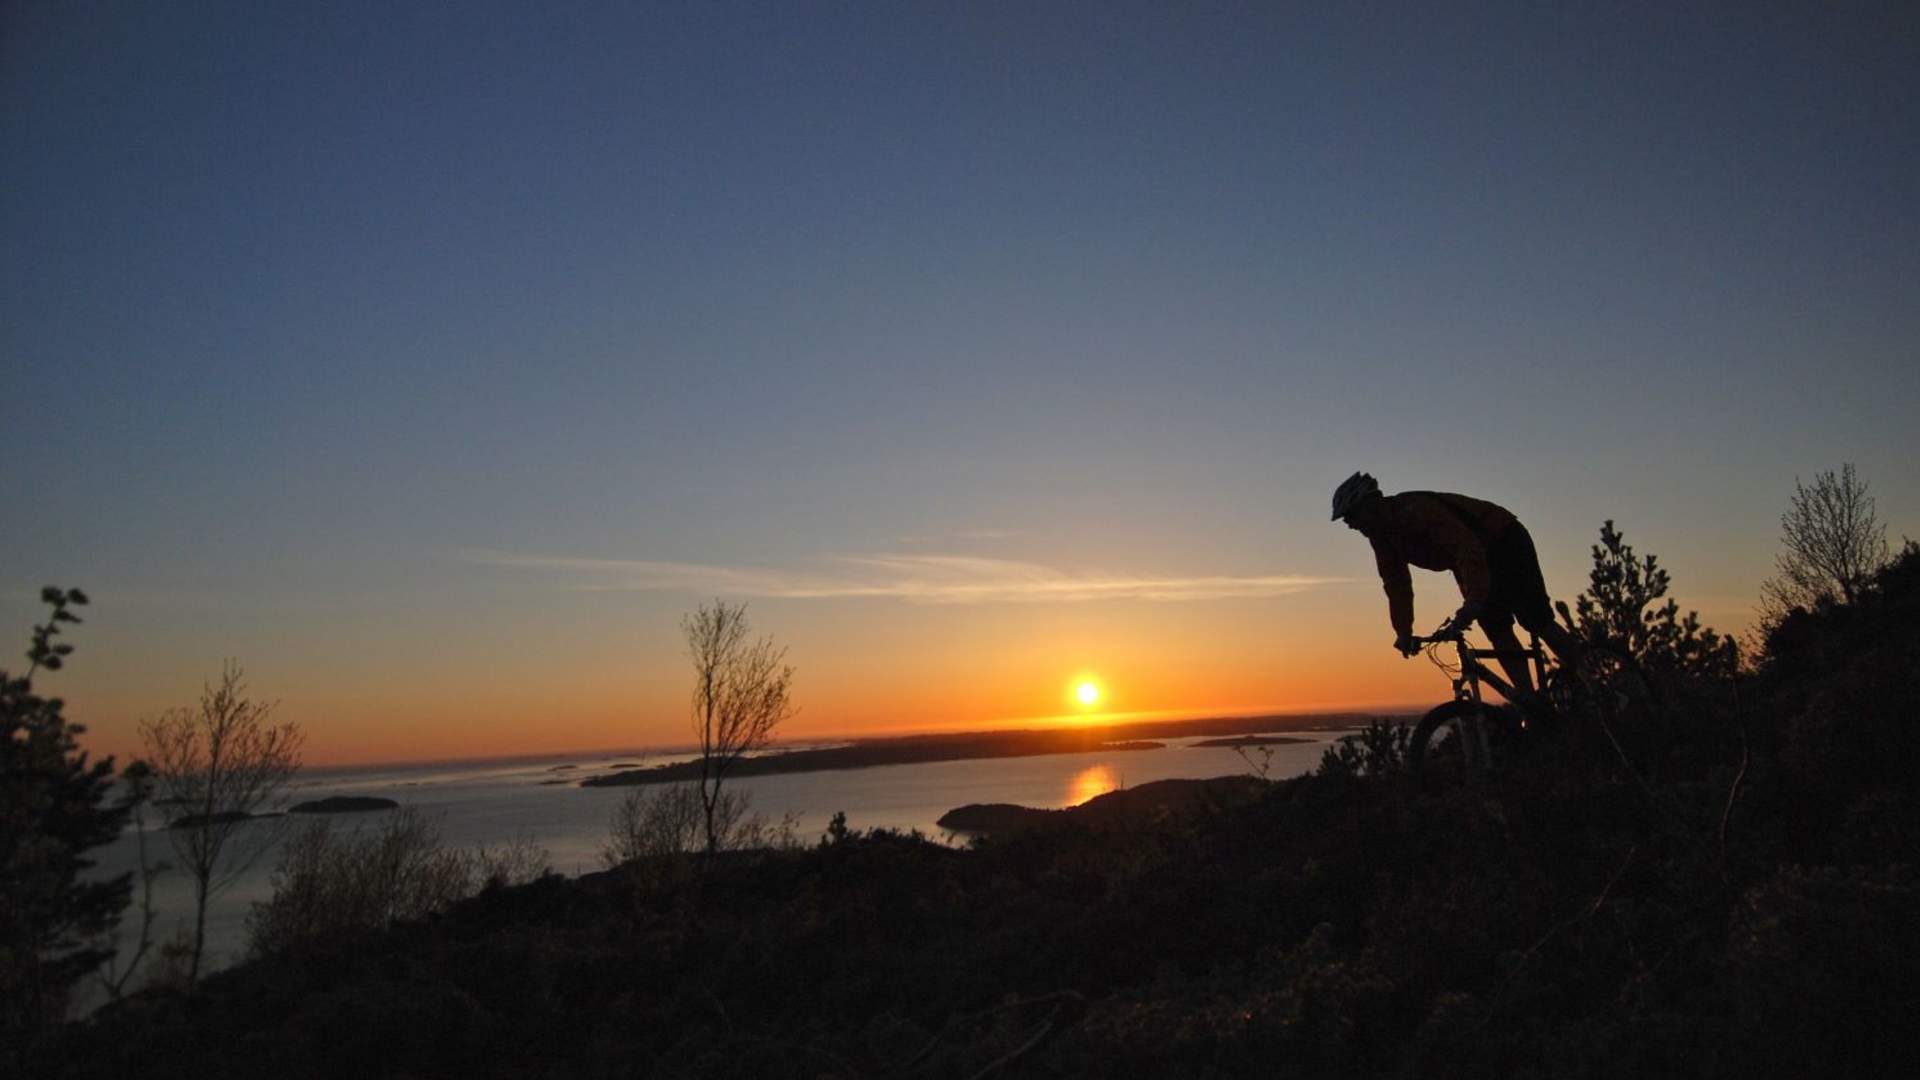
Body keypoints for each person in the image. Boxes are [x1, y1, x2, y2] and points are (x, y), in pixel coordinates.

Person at [1330, 472, 1582, 697]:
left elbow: (1466, 548)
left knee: (1535, 618)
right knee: (1496, 628)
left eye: (1351, 516)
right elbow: (1396, 585)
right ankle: (1529, 701)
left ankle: (1589, 677)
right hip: (1468, 561)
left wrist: (1474, 600)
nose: (1350, 525)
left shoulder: (1416, 511)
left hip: (1503, 538)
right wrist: (1403, 631)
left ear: (1370, 504)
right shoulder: (1382, 537)